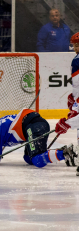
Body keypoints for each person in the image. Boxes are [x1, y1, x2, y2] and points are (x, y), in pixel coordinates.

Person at [0, 109, 77, 168]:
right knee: (29, 159)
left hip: (32, 126)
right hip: (38, 124)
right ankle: (62, 151)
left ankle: (66, 153)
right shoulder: (2, 124)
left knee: (37, 160)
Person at [55, 32, 79, 175]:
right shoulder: (76, 60)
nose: (76, 48)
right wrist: (74, 97)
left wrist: (67, 123)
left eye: (78, 45)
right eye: (74, 45)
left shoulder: (76, 61)